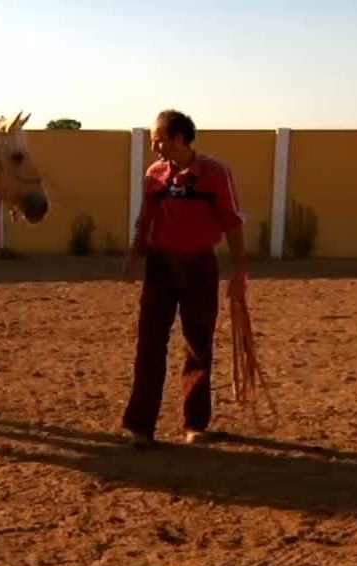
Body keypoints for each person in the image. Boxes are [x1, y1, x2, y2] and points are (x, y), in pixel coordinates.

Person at [121, 109, 247, 447]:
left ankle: (195, 425)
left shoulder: (214, 174)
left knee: (198, 346)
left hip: (200, 268)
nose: (155, 148)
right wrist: (133, 256)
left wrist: (239, 273)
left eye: (158, 140)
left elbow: (232, 222)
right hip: (160, 268)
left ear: (178, 138)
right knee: (149, 346)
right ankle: (140, 426)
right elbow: (144, 219)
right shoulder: (154, 175)